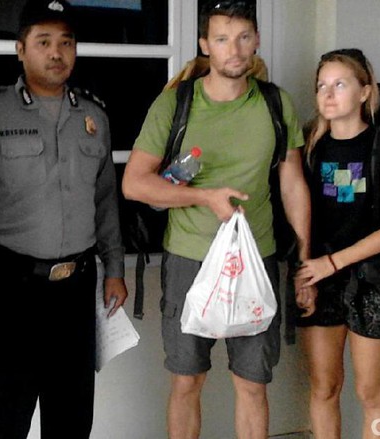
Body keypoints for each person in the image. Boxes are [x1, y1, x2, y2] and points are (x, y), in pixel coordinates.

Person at [122, 2, 313, 437]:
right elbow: (134, 184)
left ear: (257, 40)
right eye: (223, 39)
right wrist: (205, 197)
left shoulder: (275, 102)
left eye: (244, 37)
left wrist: (304, 255)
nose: (235, 49)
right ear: (205, 45)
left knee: (253, 384)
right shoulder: (176, 103)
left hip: (256, 260)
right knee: (187, 381)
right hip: (189, 259)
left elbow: (292, 185)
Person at [0, 0, 128, 437]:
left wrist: (115, 269)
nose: (56, 53)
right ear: (20, 49)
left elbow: (105, 200)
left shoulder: (93, 116)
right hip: (10, 288)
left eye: (66, 43)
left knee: (71, 418)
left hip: (76, 289)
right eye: (43, 42)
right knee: (0, 420)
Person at [293, 49, 380, 439]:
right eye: (321, 86)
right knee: (324, 387)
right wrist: (304, 272)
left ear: (364, 91)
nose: (328, 94)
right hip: (318, 279)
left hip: (373, 279)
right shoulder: (309, 147)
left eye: (340, 84)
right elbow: (295, 216)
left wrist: (333, 262)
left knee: (371, 393)